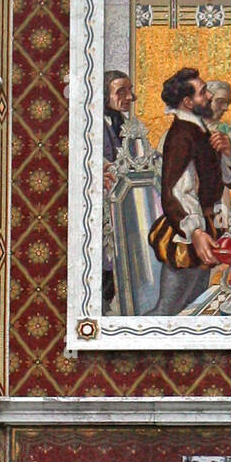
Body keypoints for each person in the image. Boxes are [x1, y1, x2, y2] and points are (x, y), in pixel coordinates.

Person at [148, 68, 231, 314]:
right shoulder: (181, 135)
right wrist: (193, 230)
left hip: (206, 228)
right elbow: (175, 191)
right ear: (187, 102)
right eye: (203, 92)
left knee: (196, 305)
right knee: (168, 312)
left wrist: (228, 152)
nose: (208, 97)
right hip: (188, 235)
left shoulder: (200, 130)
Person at [101, 70, 135, 307]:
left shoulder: (122, 123)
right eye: (121, 91)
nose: (130, 97)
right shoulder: (92, 123)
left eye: (129, 91)